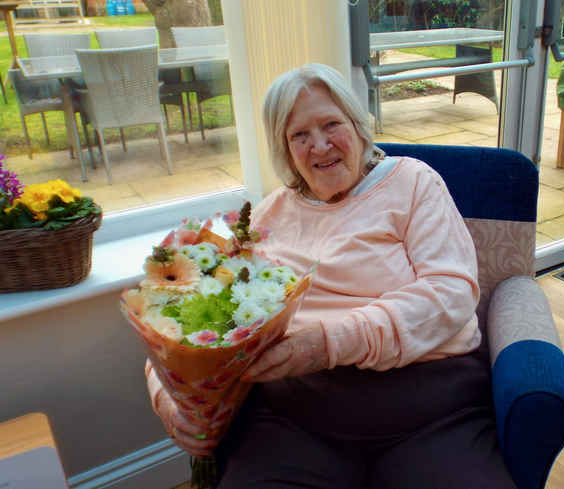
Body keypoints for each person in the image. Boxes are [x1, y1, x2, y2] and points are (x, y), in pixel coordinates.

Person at [146, 63, 518, 489]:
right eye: (299, 135)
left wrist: (327, 343)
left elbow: (450, 294)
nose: (320, 146)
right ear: (285, 151)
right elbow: (187, 321)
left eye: (331, 124)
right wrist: (172, 401)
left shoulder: (413, 183)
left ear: (358, 127)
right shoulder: (264, 217)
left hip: (427, 409)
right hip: (297, 421)